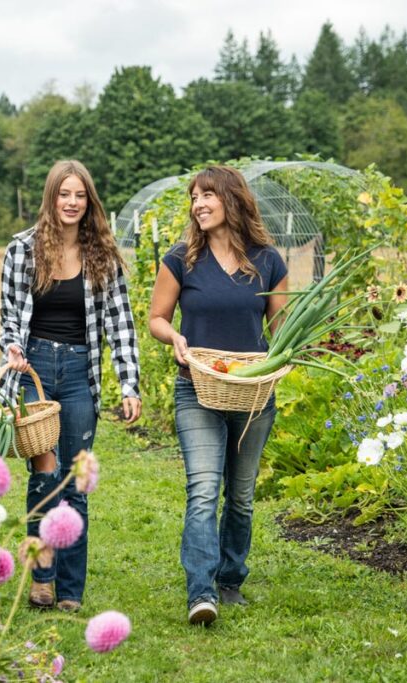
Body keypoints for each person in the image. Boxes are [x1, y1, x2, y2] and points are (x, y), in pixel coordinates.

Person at [0, 159, 142, 612]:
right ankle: (42, 577)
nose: (72, 203)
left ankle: (70, 590)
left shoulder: (102, 253)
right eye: (65, 194)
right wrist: (13, 349)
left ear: (89, 201)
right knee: (45, 476)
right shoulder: (22, 250)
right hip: (35, 370)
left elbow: (121, 324)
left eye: (80, 195)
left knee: (75, 482)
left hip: (81, 372)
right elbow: (9, 318)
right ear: (51, 198)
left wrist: (129, 384)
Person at [148, 165, 287, 626]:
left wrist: (288, 354)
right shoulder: (180, 259)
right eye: (194, 198)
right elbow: (157, 319)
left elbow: (281, 329)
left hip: (253, 393)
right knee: (204, 489)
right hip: (198, 388)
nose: (198, 204)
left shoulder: (267, 260)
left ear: (232, 200)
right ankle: (201, 591)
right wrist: (176, 340)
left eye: (207, 195)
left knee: (242, 496)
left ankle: (230, 578)